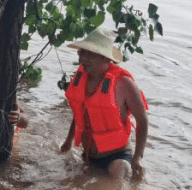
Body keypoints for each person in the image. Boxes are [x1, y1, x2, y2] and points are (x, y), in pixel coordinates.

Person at [59, 29, 149, 182]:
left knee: (119, 174)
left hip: (117, 156)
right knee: (72, 189)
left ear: (106, 59)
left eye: (90, 54)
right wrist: (68, 143)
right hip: (89, 156)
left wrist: (138, 158)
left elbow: (142, 120)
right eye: (82, 53)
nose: (83, 59)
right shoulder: (80, 77)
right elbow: (80, 114)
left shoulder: (124, 83)